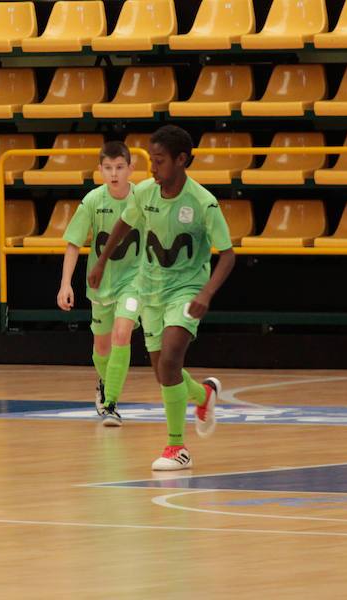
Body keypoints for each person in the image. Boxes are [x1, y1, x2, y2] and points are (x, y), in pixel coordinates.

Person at [88, 125, 235, 471]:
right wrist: (102, 260)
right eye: (151, 161)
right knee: (163, 372)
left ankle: (177, 447)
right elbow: (124, 223)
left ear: (181, 160)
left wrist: (206, 293)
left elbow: (227, 254)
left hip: (185, 290)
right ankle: (204, 395)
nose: (153, 168)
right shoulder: (145, 194)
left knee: (170, 361)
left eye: (159, 161)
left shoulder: (202, 202)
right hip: (149, 289)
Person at [58, 141, 146, 427]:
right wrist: (65, 284)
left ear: (131, 168)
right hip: (100, 285)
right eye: (108, 168)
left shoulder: (143, 199)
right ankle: (104, 382)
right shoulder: (93, 201)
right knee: (102, 346)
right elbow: (73, 243)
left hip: (134, 282)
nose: (114, 174)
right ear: (100, 171)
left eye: (120, 167)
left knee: (123, 333)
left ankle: (110, 403)